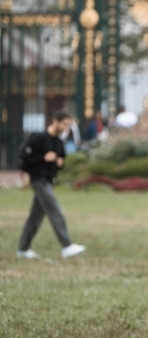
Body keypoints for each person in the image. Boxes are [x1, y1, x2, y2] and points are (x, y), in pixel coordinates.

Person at [17, 111, 87, 260]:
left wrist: (59, 163)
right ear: (55, 121)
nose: (66, 127)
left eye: (69, 125)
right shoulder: (39, 138)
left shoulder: (58, 143)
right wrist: (43, 157)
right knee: (55, 210)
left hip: (49, 180)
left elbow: (60, 160)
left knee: (35, 217)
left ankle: (23, 249)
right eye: (65, 124)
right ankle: (66, 246)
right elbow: (25, 156)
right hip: (38, 180)